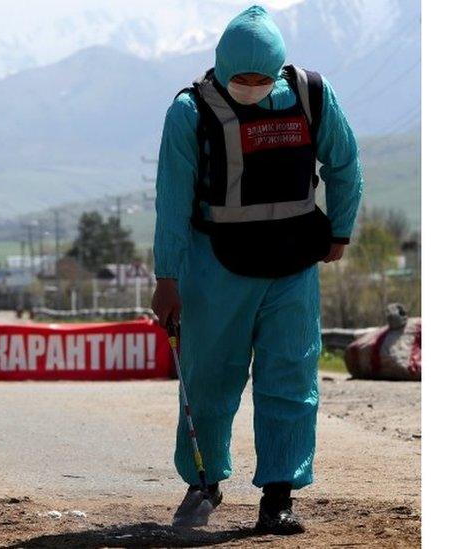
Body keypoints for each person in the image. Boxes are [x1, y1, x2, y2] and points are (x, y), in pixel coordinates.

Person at [151, 4, 363, 535]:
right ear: (221, 67)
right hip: (215, 267)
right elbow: (171, 201)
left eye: (260, 78)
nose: (250, 86)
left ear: (278, 69)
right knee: (209, 381)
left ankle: (278, 495)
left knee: (291, 379)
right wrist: (167, 278)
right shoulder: (188, 112)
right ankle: (205, 481)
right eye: (240, 78)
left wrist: (340, 230)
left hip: (292, 268)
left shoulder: (312, 96)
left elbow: (345, 162)